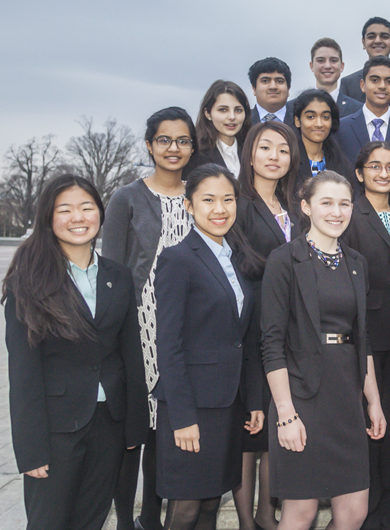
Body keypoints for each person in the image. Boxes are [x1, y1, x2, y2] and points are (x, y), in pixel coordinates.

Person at [5, 174, 148, 530]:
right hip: (55, 429)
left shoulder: (119, 275)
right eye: (64, 210)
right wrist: (30, 450)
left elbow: (131, 355)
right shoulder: (30, 279)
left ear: (100, 213)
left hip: (109, 424)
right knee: (48, 522)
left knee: (92, 519)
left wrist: (135, 426)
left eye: (87, 208)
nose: (78, 218)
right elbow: (22, 371)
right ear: (48, 218)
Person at [260, 170, 386, 530]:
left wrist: (373, 401)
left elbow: (364, 339)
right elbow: (271, 342)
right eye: (326, 202)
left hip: (346, 395)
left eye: (344, 203)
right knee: (301, 513)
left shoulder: (357, 263)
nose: (337, 212)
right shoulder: (284, 260)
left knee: (354, 513)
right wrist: (285, 413)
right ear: (306, 207)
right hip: (301, 394)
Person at [153, 164, 266, 529]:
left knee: (211, 505)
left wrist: (253, 402)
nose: (220, 209)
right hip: (191, 408)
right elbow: (168, 344)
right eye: (209, 200)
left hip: (228, 406)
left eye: (228, 200)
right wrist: (183, 418)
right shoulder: (177, 258)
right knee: (185, 507)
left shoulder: (239, 258)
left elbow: (245, 338)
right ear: (189, 205)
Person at [104, 108, 197, 530]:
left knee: (166, 428)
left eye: (182, 140)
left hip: (187, 327)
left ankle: (151, 518)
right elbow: (112, 269)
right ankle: (127, 520)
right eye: (164, 140)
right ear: (149, 144)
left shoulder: (201, 194)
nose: (173, 148)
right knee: (135, 430)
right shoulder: (127, 197)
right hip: (138, 325)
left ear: (193, 147)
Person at [342, 142, 390, 530]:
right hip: (365, 338)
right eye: (374, 166)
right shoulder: (350, 215)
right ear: (360, 173)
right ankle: (365, 515)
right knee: (369, 429)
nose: (383, 173)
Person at [233, 121, 301, 530]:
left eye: (282, 149)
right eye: (265, 148)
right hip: (250, 327)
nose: (274, 156)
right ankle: (245, 519)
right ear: (250, 154)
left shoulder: (295, 204)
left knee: (277, 425)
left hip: (289, 330)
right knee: (249, 432)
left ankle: (266, 512)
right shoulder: (238, 204)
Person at [337, 57, 390, 164]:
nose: (382, 86)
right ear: (362, 85)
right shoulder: (342, 128)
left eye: (389, 81)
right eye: (375, 80)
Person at [185, 80, 253, 179]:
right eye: (223, 110)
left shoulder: (253, 152)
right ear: (208, 113)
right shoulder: (195, 155)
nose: (232, 117)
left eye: (238, 110)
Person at [340, 17, 390, 101]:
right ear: (363, 42)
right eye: (371, 37)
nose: (377, 41)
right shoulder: (348, 83)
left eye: (384, 36)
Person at [292, 88, 352, 183]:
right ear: (297, 121)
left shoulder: (341, 162)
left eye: (325, 117)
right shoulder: (288, 160)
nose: (319, 124)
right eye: (311, 117)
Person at [303, 38, 364, 119]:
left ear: (342, 66)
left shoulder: (358, 109)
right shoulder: (294, 107)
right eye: (321, 60)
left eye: (333, 60)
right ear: (311, 66)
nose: (327, 66)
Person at [248, 57, 293, 125]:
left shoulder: (301, 122)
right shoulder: (241, 122)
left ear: (288, 88)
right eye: (265, 81)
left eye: (279, 81)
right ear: (254, 88)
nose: (273, 87)